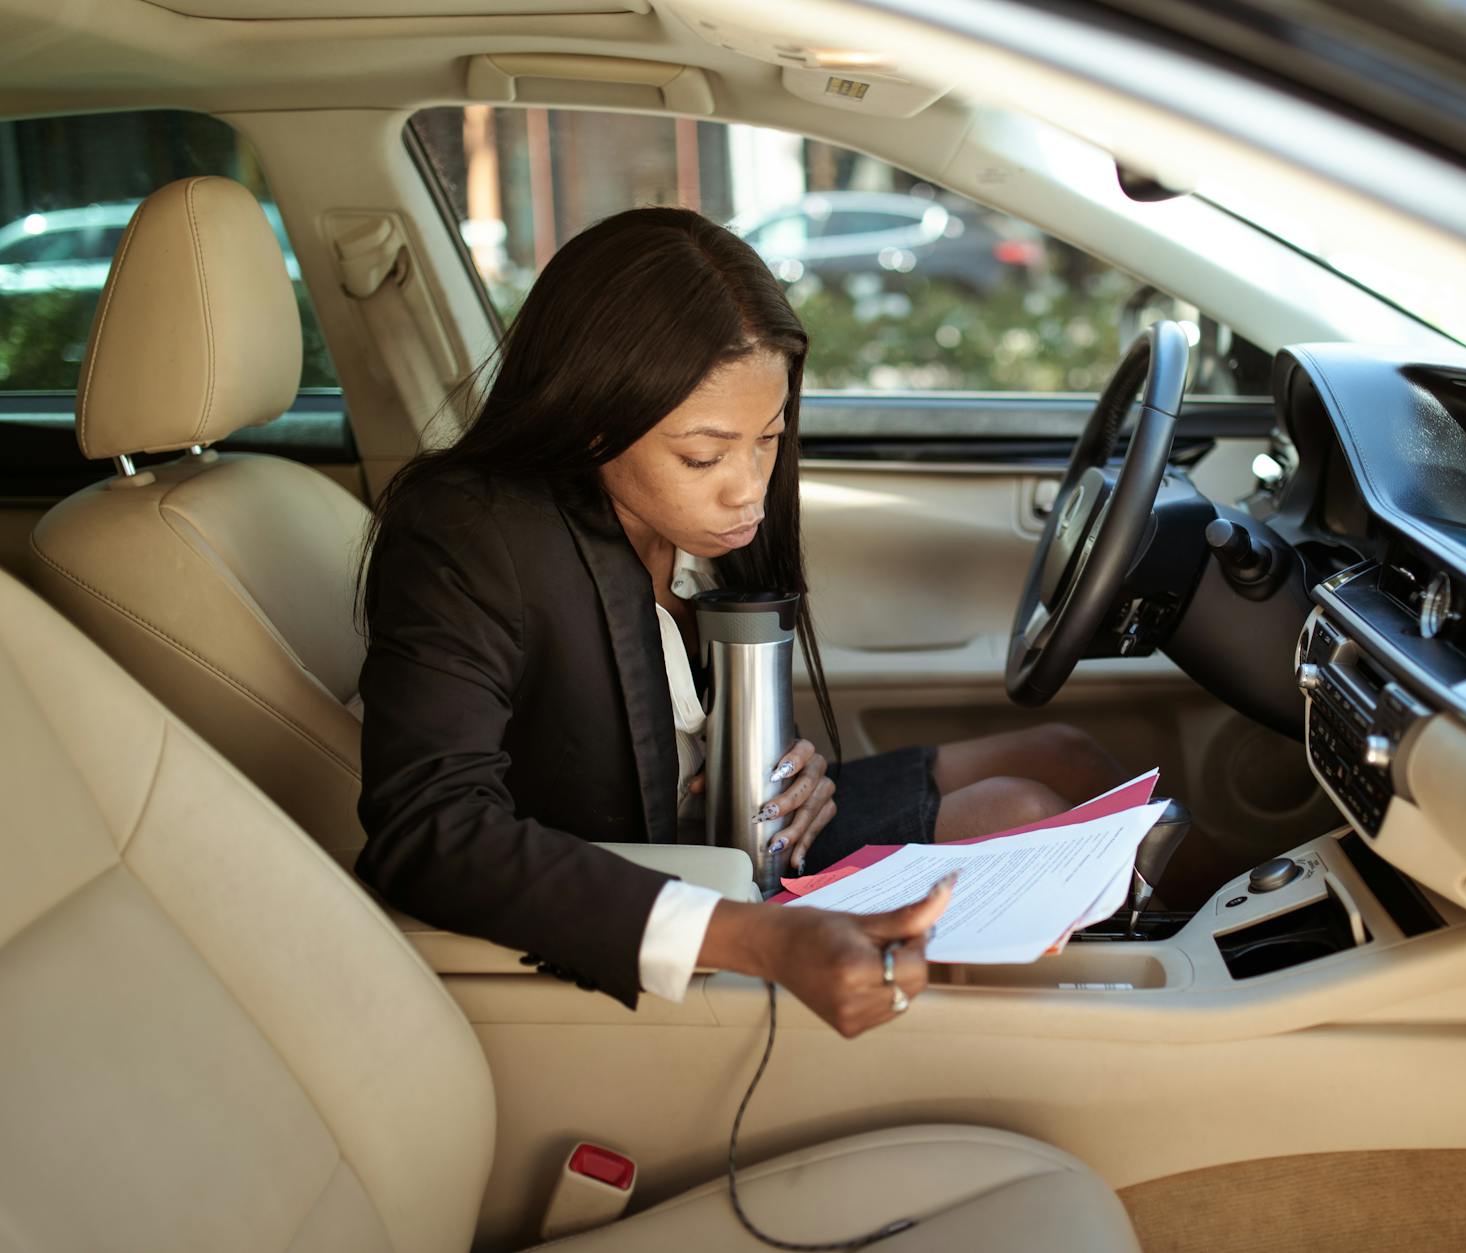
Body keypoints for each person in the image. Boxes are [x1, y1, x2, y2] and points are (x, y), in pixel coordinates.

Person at [355, 206, 1124, 1036]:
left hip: (747, 839)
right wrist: (762, 937)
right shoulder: (470, 532)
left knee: (1065, 755)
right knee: (1018, 807)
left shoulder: (697, 532)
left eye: (770, 438)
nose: (749, 489)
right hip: (661, 890)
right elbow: (430, 830)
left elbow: (693, 724)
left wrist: (799, 774)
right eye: (703, 455)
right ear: (592, 416)